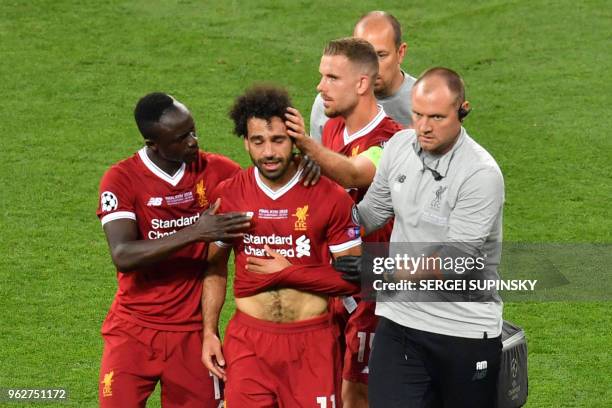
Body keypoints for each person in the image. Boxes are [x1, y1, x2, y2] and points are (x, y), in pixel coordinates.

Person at [350, 67, 505, 407]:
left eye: (436, 117)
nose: (423, 127)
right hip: (401, 323)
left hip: (464, 332)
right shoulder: (399, 146)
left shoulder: (480, 174)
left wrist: (386, 271)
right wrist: (323, 223)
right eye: (418, 115)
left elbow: (457, 260)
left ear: (463, 111)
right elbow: (371, 214)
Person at [201, 85, 362, 407]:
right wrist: (209, 331)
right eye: (258, 141)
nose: (269, 152)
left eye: (277, 140)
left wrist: (289, 273)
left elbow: (354, 278)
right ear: (246, 142)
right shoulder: (230, 195)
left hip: (312, 342)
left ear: (293, 139)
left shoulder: (329, 195)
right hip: (249, 342)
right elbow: (214, 266)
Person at [95, 92, 254, 407]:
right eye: (181, 138)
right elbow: (123, 254)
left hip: (192, 334)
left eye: (193, 131)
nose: (193, 142)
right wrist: (195, 232)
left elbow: (263, 196)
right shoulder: (121, 179)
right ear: (153, 144)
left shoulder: (220, 172)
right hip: (132, 330)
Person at [285, 37, 402, 407]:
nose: (320, 87)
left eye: (332, 77)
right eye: (322, 76)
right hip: (339, 282)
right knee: (330, 386)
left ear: (362, 83)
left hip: (375, 290)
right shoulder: (336, 129)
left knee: (359, 393)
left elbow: (354, 174)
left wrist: (303, 142)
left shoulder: (393, 140)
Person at [310, 10, 416, 141]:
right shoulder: (328, 101)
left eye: (381, 55)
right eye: (363, 56)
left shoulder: (425, 103)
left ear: (400, 53)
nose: (371, 66)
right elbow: (318, 159)